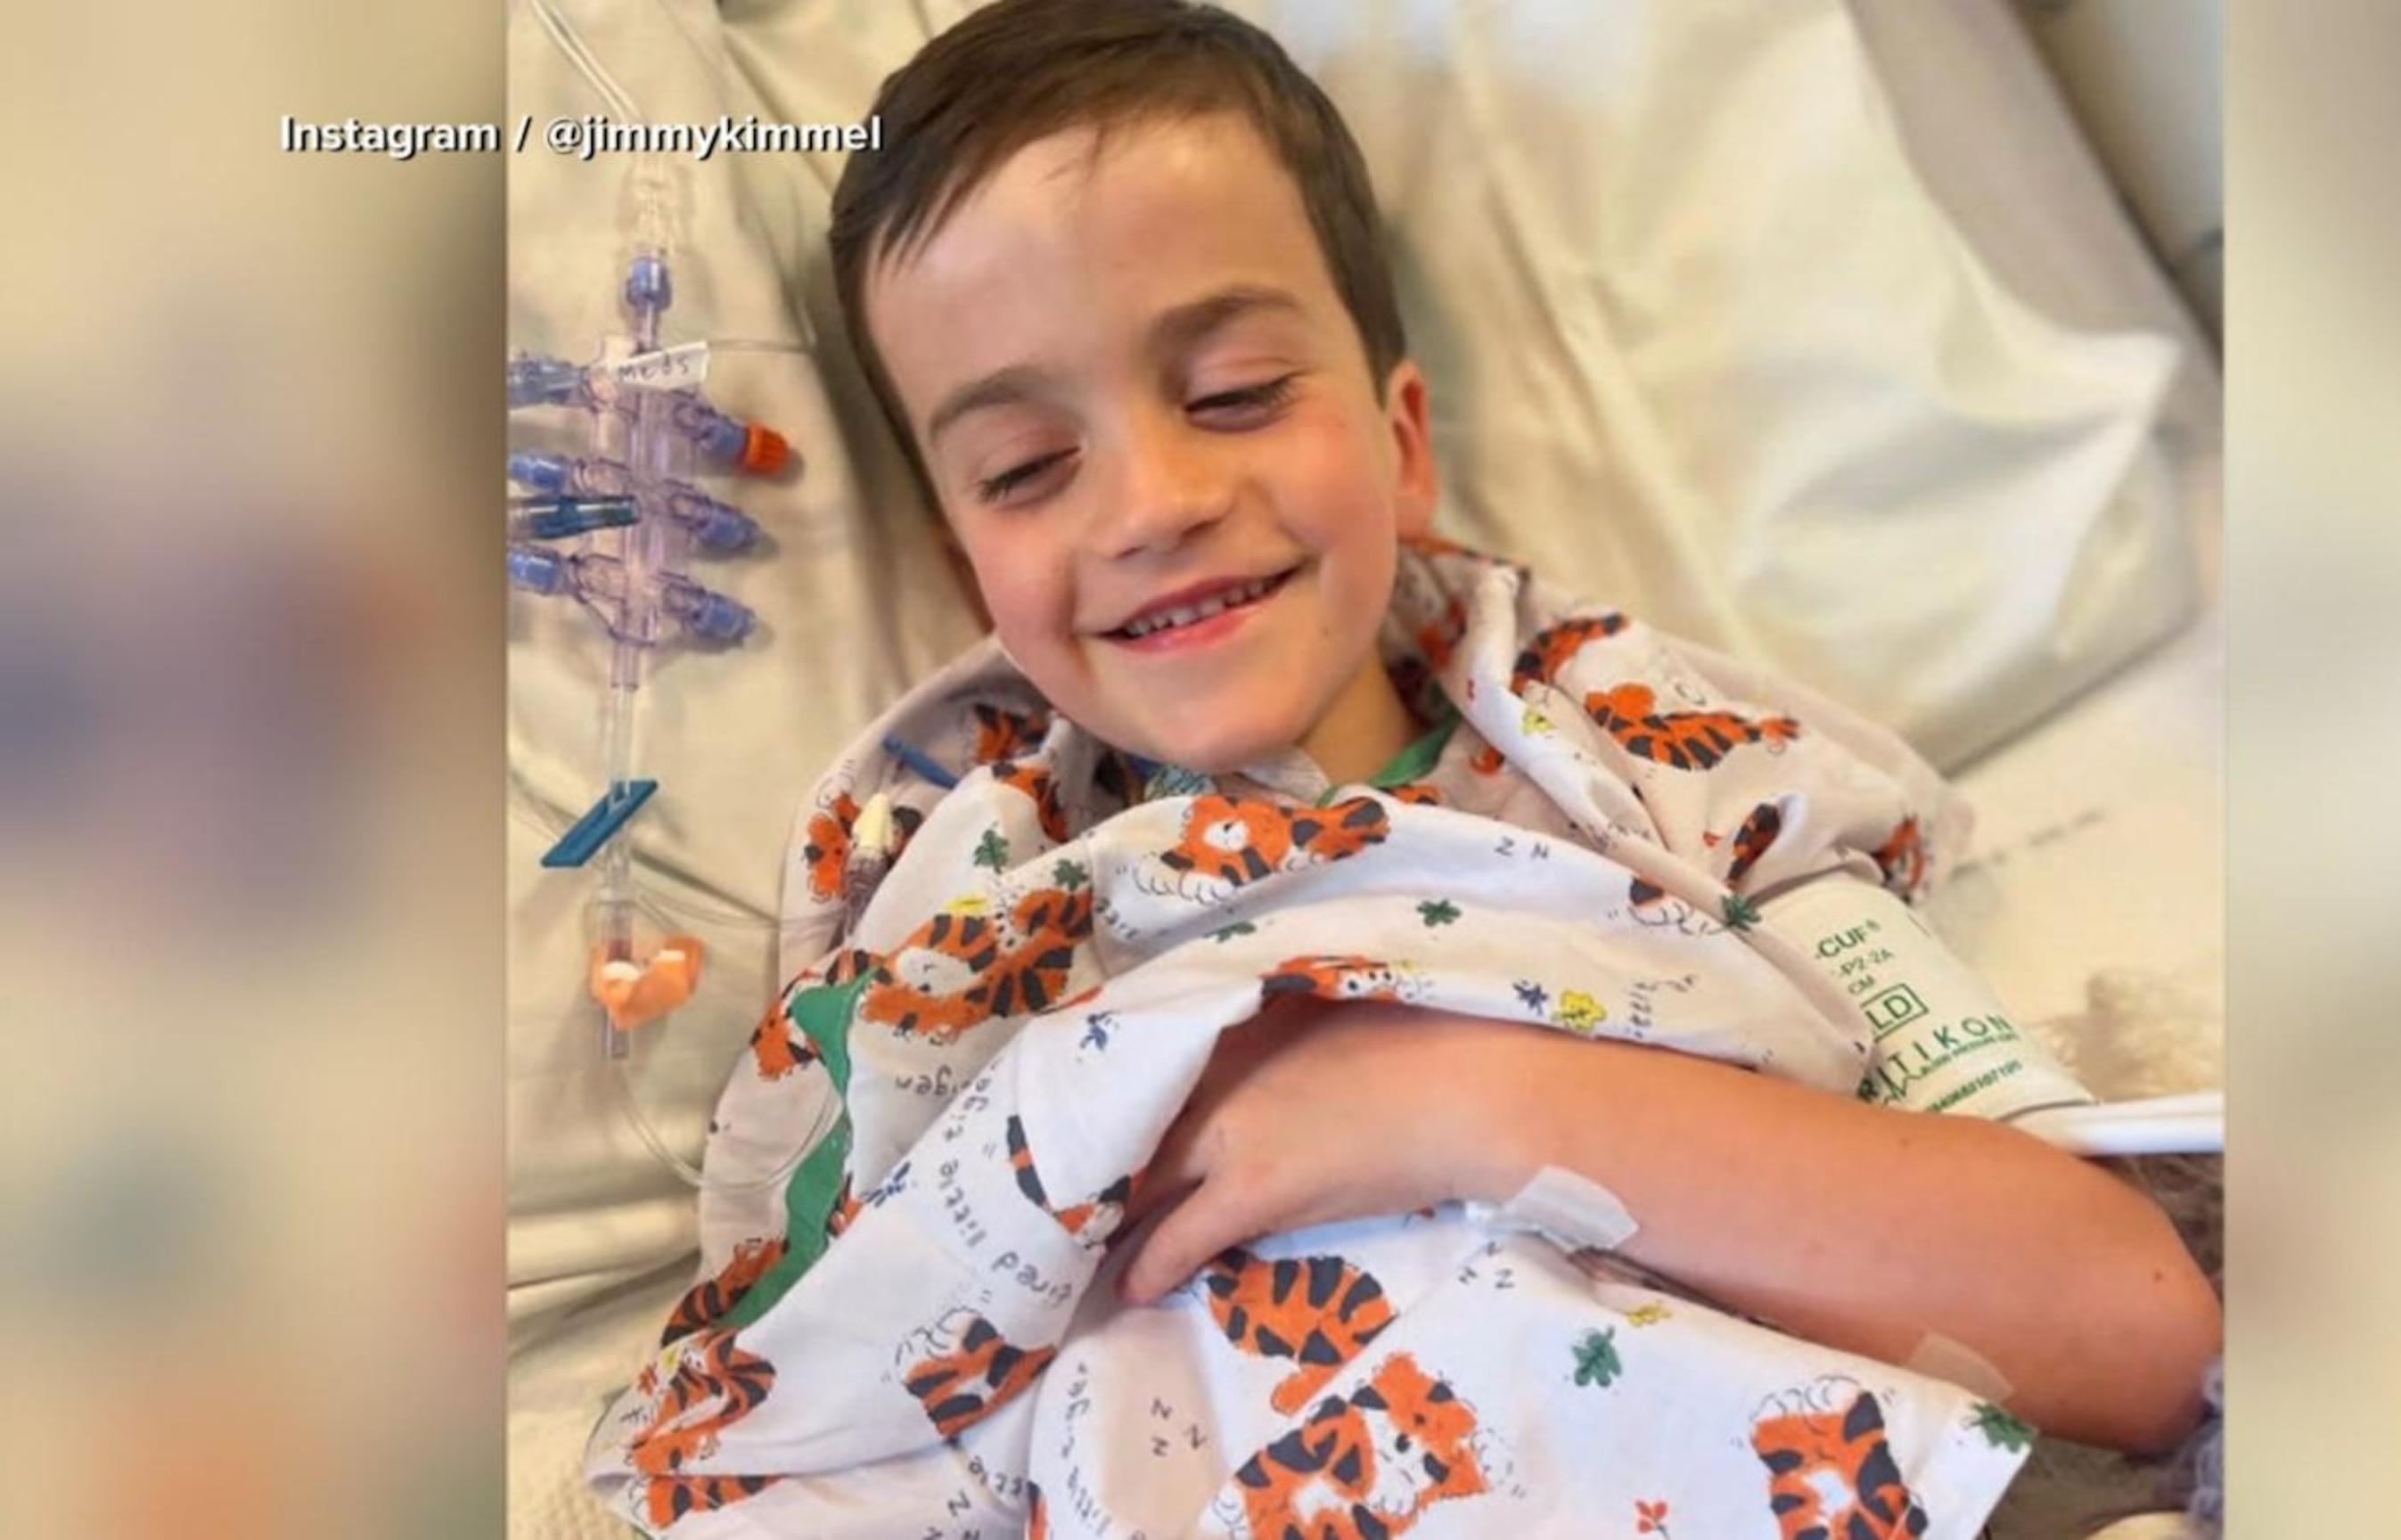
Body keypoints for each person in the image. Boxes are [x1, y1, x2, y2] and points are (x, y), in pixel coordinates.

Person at [589, 3, 2220, 1535]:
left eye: (1234, 393)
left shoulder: (1670, 770)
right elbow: (810, 1410)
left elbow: (2138, 1325)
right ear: (972, 580)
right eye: (1026, 468)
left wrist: (1456, 1101)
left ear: (1405, 442)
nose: (1152, 502)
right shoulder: (955, 938)